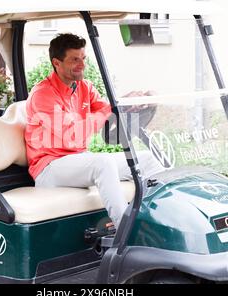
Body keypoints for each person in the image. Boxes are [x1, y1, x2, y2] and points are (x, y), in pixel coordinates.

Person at [25, 33, 153, 229]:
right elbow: (72, 136)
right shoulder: (43, 94)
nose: (82, 65)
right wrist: (104, 112)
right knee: (103, 163)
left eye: (83, 58)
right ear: (56, 63)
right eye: (74, 60)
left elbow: (108, 107)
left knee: (146, 159)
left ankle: (156, 218)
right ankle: (127, 231)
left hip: (77, 161)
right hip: (49, 167)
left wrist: (129, 102)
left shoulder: (84, 87)